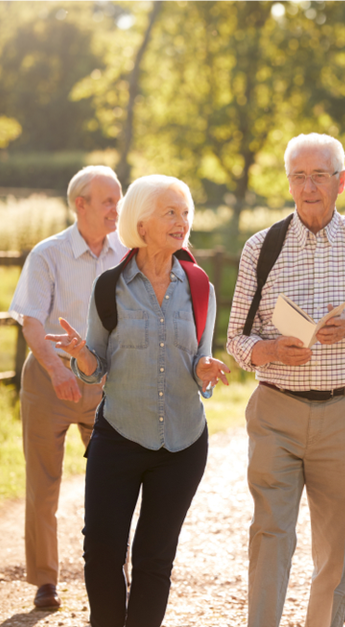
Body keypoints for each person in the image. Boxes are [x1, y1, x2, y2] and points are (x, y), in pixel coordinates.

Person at [225, 133, 345, 627]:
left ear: (341, 181)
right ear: (288, 182)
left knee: (337, 545)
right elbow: (236, 340)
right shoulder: (261, 247)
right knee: (269, 533)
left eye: (319, 176)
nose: (309, 187)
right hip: (277, 408)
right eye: (299, 176)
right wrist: (270, 349)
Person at [48, 174, 230, 626]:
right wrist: (79, 356)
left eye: (185, 213)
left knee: (155, 559)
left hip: (184, 443)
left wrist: (205, 370)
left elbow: (200, 360)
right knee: (102, 551)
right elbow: (98, 365)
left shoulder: (200, 285)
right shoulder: (110, 286)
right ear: (141, 222)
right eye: (170, 212)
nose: (181, 222)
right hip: (120, 437)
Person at [8, 165, 127, 610]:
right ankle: (45, 581)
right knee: (44, 483)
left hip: (104, 381)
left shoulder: (126, 253)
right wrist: (58, 372)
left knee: (115, 482)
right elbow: (32, 321)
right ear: (81, 205)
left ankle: (116, 572)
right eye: (109, 201)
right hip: (48, 377)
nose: (118, 209)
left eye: (119, 199)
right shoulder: (48, 253)